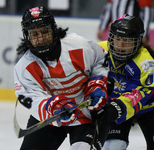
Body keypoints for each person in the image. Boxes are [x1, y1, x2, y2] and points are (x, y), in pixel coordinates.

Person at [14, 5, 110, 150]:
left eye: (44, 32)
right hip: (52, 116)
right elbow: (31, 98)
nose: (40, 39)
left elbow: (102, 60)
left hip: (86, 113)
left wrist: (97, 83)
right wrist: (53, 107)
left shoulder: (78, 45)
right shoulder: (25, 67)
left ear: (53, 30)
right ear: (27, 36)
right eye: (34, 34)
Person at [98, 14, 154, 150]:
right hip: (117, 105)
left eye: (127, 41)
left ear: (138, 41)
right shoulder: (99, 50)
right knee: (112, 147)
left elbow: (137, 94)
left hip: (152, 109)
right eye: (117, 39)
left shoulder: (145, 63)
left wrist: (116, 107)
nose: (120, 45)